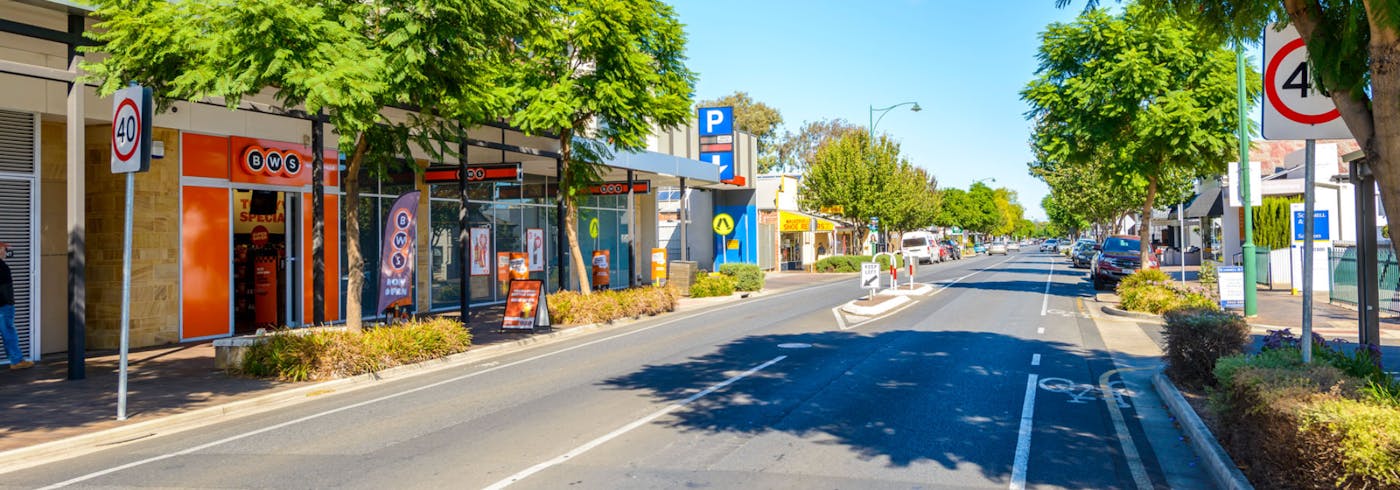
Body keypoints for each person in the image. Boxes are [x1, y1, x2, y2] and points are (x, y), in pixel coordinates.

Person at [0, 242, 32, 369]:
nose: (6, 252)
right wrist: (9, 302)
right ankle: (17, 361)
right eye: (4, 249)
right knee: (8, 332)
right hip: (3, 306)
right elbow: (4, 289)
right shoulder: (2, 267)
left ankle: (16, 360)